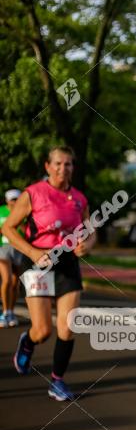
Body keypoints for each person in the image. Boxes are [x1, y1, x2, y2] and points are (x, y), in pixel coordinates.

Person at [2, 147, 96, 401]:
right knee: (43, 330)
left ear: (72, 168)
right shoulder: (33, 194)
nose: (62, 169)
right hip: (39, 261)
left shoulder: (79, 198)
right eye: (57, 163)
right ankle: (28, 342)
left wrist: (87, 244)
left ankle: (57, 381)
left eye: (67, 164)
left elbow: (90, 230)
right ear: (47, 166)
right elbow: (9, 228)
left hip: (67, 263)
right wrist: (31, 253)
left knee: (67, 326)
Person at [0, 189, 22, 327]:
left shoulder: (23, 212)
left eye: (17, 199)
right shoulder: (1, 211)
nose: (14, 202)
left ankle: (11, 311)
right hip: (3, 247)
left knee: (15, 283)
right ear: (7, 200)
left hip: (19, 248)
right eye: (12, 199)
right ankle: (5, 313)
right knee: (7, 280)